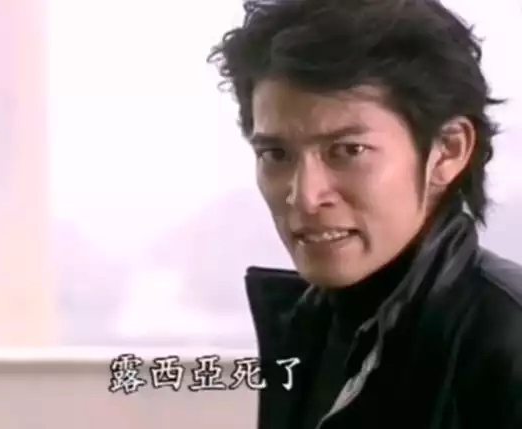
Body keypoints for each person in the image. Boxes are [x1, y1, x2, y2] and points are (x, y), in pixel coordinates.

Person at [207, 0, 522, 428]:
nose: (306, 196)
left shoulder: (506, 340)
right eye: (275, 154)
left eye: (349, 150)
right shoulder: (310, 326)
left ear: (449, 150)